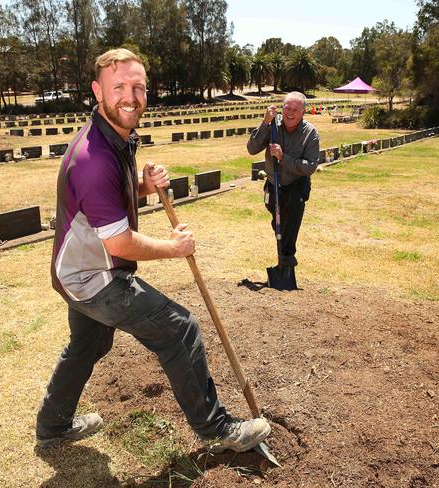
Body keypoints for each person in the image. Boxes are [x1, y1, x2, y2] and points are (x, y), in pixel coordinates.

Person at [36, 48, 270, 454]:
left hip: (76, 269)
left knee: (89, 344)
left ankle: (53, 425)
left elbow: (107, 203)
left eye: (138, 86)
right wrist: (175, 248)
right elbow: (119, 241)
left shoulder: (116, 138)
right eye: (119, 87)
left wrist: (142, 187)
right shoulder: (93, 159)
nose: (131, 96)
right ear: (97, 91)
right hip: (95, 276)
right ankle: (217, 431)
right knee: (179, 329)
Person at [247, 92, 320, 271]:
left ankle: (287, 256)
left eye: (295, 109)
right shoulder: (272, 125)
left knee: (291, 216)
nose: (290, 112)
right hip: (274, 182)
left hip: (297, 183)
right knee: (278, 220)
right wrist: (264, 123)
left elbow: (309, 167)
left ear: (303, 112)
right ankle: (285, 253)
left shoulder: (310, 133)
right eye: (287, 108)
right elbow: (252, 148)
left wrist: (282, 157)